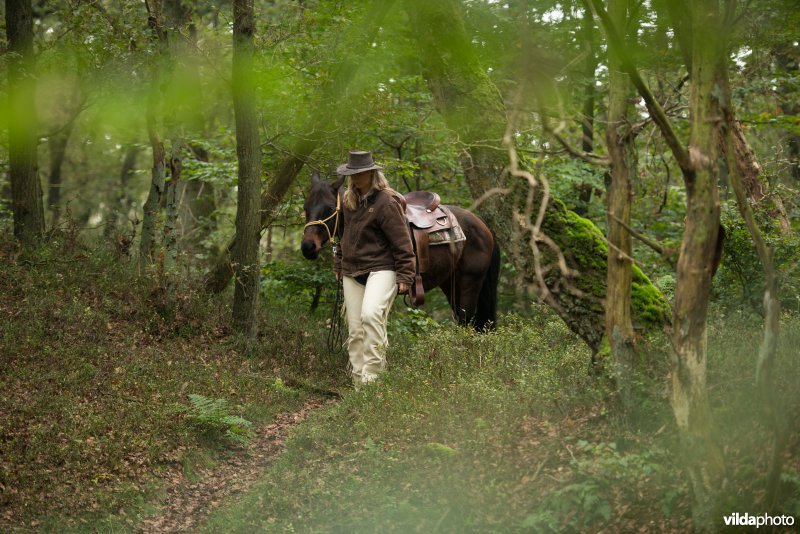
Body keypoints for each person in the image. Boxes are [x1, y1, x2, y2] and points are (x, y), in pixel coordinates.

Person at [333, 150, 415, 386]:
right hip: (351, 270)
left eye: (359, 174)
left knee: (371, 316)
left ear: (371, 173)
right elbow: (342, 236)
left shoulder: (386, 202)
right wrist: (338, 263)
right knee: (355, 329)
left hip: (382, 267)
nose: (355, 178)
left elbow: (402, 243)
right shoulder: (348, 201)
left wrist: (406, 275)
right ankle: (358, 384)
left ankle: (373, 382)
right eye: (352, 174)